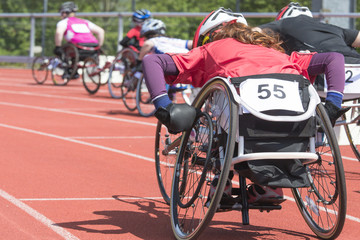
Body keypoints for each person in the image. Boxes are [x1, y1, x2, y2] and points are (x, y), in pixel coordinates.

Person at [142, 7, 347, 205]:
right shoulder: (280, 54)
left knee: (222, 108)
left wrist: (164, 107)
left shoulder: (210, 49)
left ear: (209, 37)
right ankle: (269, 187)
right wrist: (332, 106)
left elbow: (152, 61)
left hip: (245, 132)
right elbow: (334, 58)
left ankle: (221, 184)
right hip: (297, 132)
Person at [53, 1, 105, 79]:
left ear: (64, 13)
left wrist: (57, 46)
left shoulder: (63, 22)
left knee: (63, 50)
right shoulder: (85, 22)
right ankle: (74, 69)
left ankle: (68, 70)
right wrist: (99, 46)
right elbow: (101, 31)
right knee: (71, 49)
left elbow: (58, 33)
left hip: (77, 46)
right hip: (93, 47)